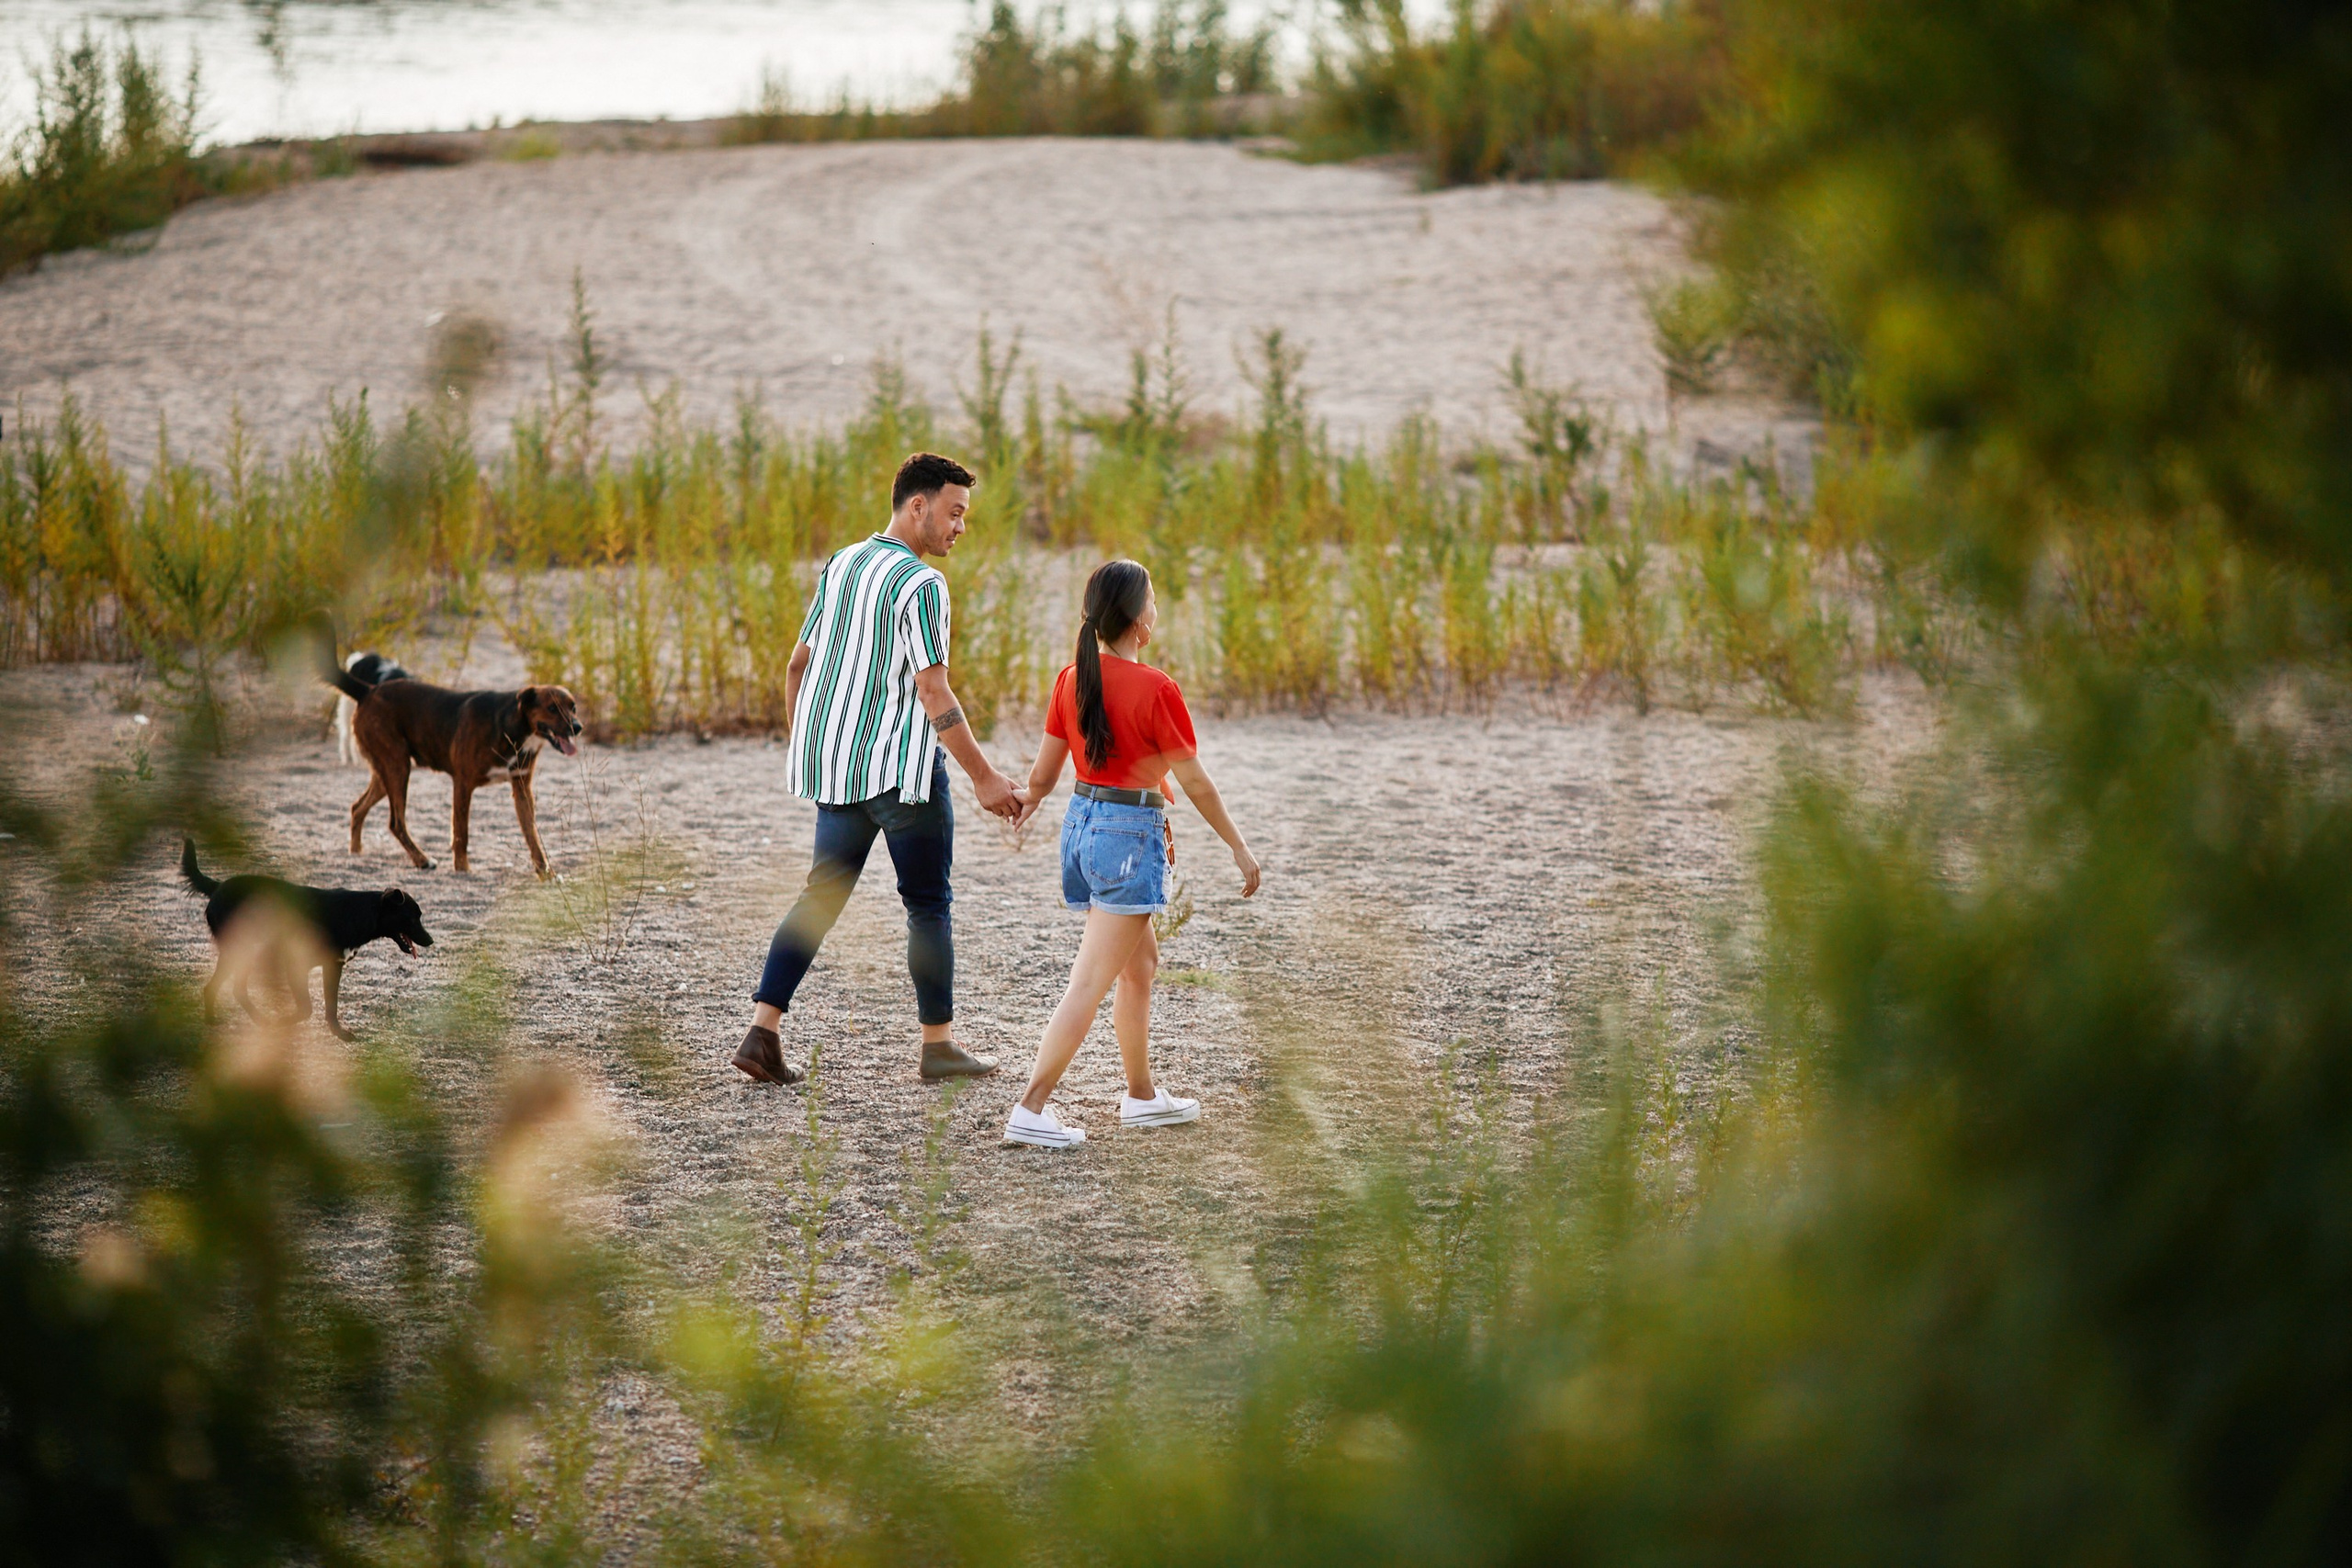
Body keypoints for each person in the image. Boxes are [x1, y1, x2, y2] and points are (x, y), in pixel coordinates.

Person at [732, 452, 1023, 1088]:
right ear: (918, 506)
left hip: (838, 771)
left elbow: (797, 664)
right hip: (902, 776)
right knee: (928, 904)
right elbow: (933, 691)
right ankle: (938, 1046)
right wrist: (985, 778)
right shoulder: (922, 584)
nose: (960, 527)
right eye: (954, 512)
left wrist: (810, 743)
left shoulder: (842, 563)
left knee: (819, 898)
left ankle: (762, 1030)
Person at [1003, 559, 1261, 1149]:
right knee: (1089, 981)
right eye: (1153, 599)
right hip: (1127, 838)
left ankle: (1141, 1097)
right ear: (1138, 620)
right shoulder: (1156, 688)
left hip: (1083, 827)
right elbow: (1196, 783)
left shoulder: (1072, 678)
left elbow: (1044, 774)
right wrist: (1238, 846)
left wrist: (1026, 799)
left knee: (1139, 964)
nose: (1156, 608)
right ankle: (1030, 1107)